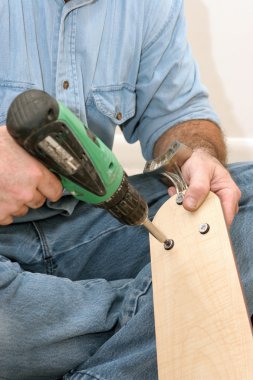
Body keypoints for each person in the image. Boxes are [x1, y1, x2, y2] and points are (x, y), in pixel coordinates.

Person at [0, 1, 252, 379]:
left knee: (237, 196)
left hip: (86, 225)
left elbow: (179, 112)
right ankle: (176, 318)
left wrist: (198, 154)